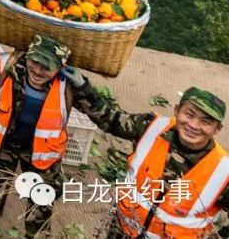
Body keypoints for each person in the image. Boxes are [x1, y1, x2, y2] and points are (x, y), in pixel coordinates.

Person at [0, 35, 99, 239]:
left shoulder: (69, 85)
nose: (37, 71)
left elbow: (105, 114)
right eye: (34, 62)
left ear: (59, 67)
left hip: (42, 152)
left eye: (45, 67)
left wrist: (85, 88)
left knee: (41, 202)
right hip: (4, 143)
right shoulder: (4, 66)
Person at [63, 77, 228, 239]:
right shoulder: (151, 126)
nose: (193, 125)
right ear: (177, 110)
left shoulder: (223, 171)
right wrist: (83, 87)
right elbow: (112, 119)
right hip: (122, 230)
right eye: (189, 114)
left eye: (205, 122)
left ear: (217, 128)